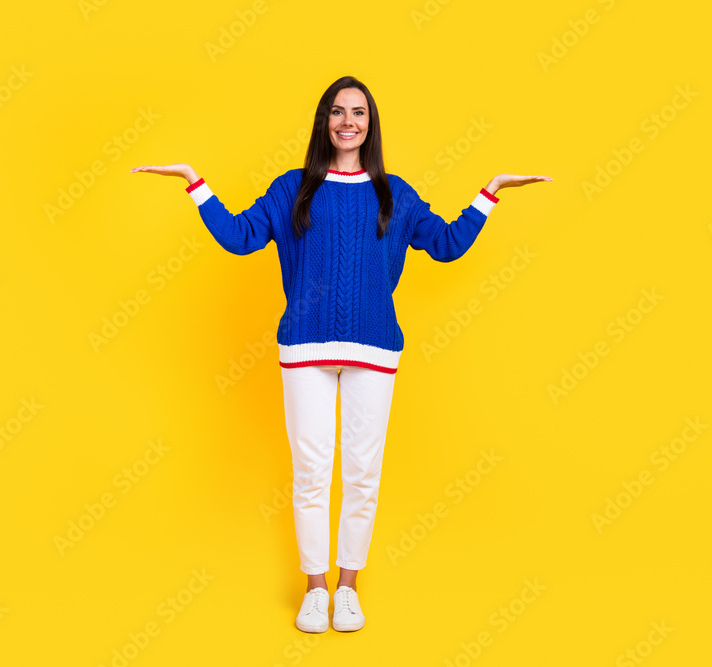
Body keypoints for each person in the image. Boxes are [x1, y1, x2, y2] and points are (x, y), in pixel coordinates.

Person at [131, 75, 552, 633]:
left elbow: (447, 244)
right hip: (304, 345)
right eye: (337, 111)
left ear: (370, 124)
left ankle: (348, 590)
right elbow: (239, 236)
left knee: (363, 473)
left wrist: (490, 191)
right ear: (323, 122)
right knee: (310, 472)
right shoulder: (293, 188)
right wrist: (194, 182)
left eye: (358, 112)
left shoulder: (393, 193)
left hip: (374, 348)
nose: (347, 121)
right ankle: (315, 590)